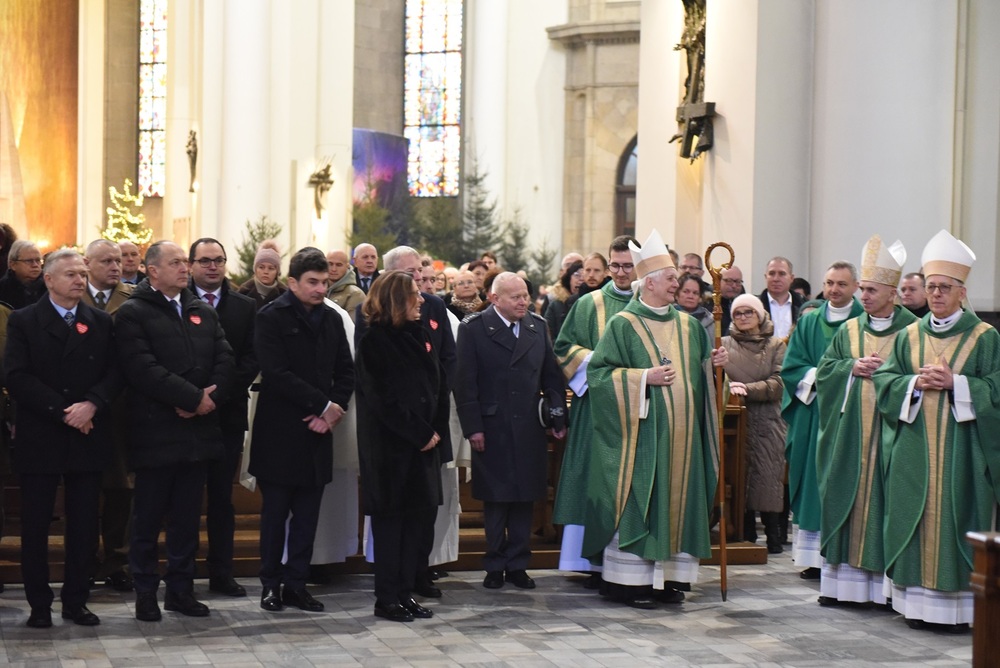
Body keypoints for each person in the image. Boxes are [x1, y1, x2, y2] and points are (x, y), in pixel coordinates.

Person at [581, 230, 728, 609]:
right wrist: (643, 378)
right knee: (641, 502)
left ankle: (670, 579)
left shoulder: (690, 326)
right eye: (670, 277)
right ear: (649, 284)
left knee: (679, 501)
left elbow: (700, 381)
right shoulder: (623, 325)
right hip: (642, 440)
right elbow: (599, 376)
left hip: (683, 441)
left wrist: (716, 368)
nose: (677, 282)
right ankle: (630, 582)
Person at [873, 230, 1000, 631]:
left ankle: (959, 608)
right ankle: (917, 605)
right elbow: (886, 382)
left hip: (964, 453)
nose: (938, 294)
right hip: (913, 450)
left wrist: (958, 385)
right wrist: (912, 384)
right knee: (914, 516)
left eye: (946, 288)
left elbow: (996, 388)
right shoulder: (908, 336)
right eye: (932, 287)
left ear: (963, 293)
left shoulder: (985, 338)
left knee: (957, 517)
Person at [115, 241, 234, 622]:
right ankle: (146, 592)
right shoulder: (133, 313)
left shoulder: (201, 310)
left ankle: (181, 590)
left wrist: (207, 398)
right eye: (176, 263)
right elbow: (141, 368)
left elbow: (225, 358)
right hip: (155, 431)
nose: (185, 269)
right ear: (152, 270)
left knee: (187, 519)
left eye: (186, 262)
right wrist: (190, 397)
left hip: (198, 432)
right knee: (148, 519)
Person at [5, 250, 121, 628]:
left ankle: (76, 601)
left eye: (82, 274)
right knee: (36, 525)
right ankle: (39, 604)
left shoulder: (99, 322)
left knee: (84, 524)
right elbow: (17, 376)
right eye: (70, 273)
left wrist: (91, 404)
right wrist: (65, 411)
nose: (79, 280)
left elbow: (115, 372)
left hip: (87, 433)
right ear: (49, 280)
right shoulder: (25, 321)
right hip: (43, 432)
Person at [249, 247, 354, 613]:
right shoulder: (270, 317)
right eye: (312, 282)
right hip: (279, 430)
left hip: (318, 433)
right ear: (292, 282)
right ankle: (270, 584)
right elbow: (277, 373)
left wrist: (333, 409)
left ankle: (297, 584)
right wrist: (322, 406)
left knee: (308, 517)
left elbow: (346, 371)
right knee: (275, 516)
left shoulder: (332, 319)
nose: (320, 289)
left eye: (325, 282)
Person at [815, 235, 916, 607]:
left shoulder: (913, 332)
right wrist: (851, 368)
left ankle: (885, 589)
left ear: (893, 293)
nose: (864, 297)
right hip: (850, 437)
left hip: (893, 436)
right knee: (848, 498)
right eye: (864, 290)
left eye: (872, 290)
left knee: (888, 505)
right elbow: (825, 371)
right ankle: (845, 586)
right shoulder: (850, 330)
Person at [354, 245, 458, 600]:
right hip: (392, 449)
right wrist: (419, 432)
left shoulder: (417, 332)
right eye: (414, 294)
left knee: (416, 522)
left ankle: (406, 592)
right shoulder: (374, 340)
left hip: (424, 444)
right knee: (392, 526)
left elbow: (438, 385)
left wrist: (436, 431)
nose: (421, 299)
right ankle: (389, 597)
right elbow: (384, 399)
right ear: (399, 300)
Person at [456, 272, 567, 590]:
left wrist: (558, 416)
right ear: (494, 299)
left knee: (525, 496)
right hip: (493, 427)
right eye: (515, 297)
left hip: (529, 424)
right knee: (497, 498)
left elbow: (551, 376)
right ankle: (494, 563)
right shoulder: (474, 329)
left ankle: (519, 563)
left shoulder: (537, 325)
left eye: (525, 295)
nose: (524, 301)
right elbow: (465, 384)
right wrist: (473, 427)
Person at [552, 235, 637, 584]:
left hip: (639, 413)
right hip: (597, 411)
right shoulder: (588, 304)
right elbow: (563, 347)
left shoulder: (654, 303)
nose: (620, 273)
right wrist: (600, 369)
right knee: (593, 480)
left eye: (627, 266)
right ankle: (589, 562)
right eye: (615, 265)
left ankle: (630, 561)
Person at [781, 261, 862, 580]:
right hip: (814, 413)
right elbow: (792, 367)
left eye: (842, 284)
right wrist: (824, 378)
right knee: (814, 481)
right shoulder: (810, 322)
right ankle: (813, 557)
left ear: (855, 287)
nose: (834, 290)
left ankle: (846, 552)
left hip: (850, 414)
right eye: (829, 283)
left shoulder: (865, 322)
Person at [188, 238, 258, 597]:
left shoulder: (246, 307)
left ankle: (221, 572)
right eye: (205, 261)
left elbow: (250, 358)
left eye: (218, 260)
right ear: (191, 265)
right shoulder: (176, 302)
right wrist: (190, 396)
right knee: (181, 500)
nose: (212, 266)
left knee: (221, 500)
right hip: (181, 415)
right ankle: (181, 573)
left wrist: (215, 396)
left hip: (226, 414)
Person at [81, 239, 135, 592]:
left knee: (121, 488)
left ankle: (118, 560)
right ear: (87, 263)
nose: (115, 267)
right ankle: (83, 561)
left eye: (118, 261)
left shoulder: (132, 299)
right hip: (78, 407)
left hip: (121, 408)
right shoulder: (69, 295)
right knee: (83, 489)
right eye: (106, 261)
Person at [721, 294, 786, 554]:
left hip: (768, 420)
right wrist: (729, 388)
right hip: (735, 420)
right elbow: (716, 377)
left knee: (768, 477)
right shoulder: (724, 344)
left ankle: (773, 536)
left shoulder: (775, 345)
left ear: (759, 315)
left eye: (749, 312)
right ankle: (744, 534)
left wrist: (745, 388)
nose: (743, 317)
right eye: (738, 313)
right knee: (738, 476)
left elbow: (780, 382)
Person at [759, 257, 804, 341]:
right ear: (766, 277)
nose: (776, 279)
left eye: (782, 274)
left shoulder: (803, 306)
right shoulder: (755, 306)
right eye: (771, 273)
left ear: (791, 278)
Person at [544, 259, 584, 341]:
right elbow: (547, 334)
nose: (581, 279)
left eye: (584, 275)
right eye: (577, 275)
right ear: (569, 278)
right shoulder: (556, 304)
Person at [0, 240, 46, 309]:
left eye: (38, 260)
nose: (35, 265)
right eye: (29, 261)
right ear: (13, 265)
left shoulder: (50, 286)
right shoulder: (2, 289)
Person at [238, 242, 286, 309]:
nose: (266, 272)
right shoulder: (244, 292)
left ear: (277, 272)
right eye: (261, 267)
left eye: (271, 268)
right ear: (255, 269)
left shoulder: (284, 294)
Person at [325, 249, 366, 320]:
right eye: (330, 264)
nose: (333, 269)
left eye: (339, 265)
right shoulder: (320, 289)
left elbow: (352, 326)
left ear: (347, 266)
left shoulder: (355, 294)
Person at [674, 272, 714, 339]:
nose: (690, 296)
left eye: (695, 293)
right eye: (686, 291)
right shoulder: (667, 316)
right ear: (677, 295)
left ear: (700, 297)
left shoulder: (710, 320)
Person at [718, 265, 745, 333]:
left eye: (738, 282)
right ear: (718, 281)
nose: (734, 286)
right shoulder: (708, 303)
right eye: (729, 281)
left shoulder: (743, 303)